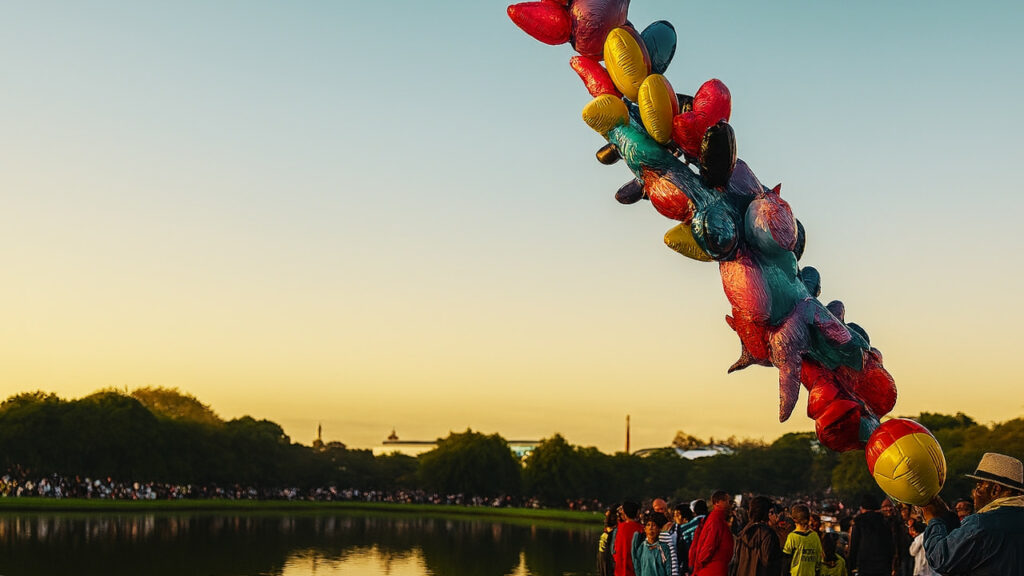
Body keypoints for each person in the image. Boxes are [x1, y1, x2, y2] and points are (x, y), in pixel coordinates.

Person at [921, 452, 1024, 575]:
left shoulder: (980, 523)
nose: (974, 493)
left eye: (979, 486)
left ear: (995, 490)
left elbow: (940, 560)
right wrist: (948, 517)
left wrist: (934, 520)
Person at [732, 495, 782, 576]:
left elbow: (737, 561)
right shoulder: (768, 534)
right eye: (770, 512)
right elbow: (769, 563)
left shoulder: (743, 532)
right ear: (765, 512)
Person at [689, 491, 734, 576]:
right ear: (717, 503)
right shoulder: (716, 520)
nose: (729, 505)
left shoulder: (717, 519)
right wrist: (699, 566)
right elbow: (709, 546)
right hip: (712, 569)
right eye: (727, 501)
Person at [848, 494, 895, 576]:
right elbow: (891, 546)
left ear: (862, 508)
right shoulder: (885, 522)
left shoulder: (859, 522)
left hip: (865, 566)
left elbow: (853, 547)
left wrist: (850, 567)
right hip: (883, 567)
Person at [782, 504, 822, 576]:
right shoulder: (815, 536)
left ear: (794, 519)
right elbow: (818, 560)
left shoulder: (792, 537)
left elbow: (786, 561)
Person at [635, 512, 673, 576]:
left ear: (659, 529)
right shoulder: (642, 547)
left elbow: (668, 568)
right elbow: (638, 567)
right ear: (645, 529)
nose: (650, 528)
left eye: (654, 525)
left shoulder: (664, 547)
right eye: (648, 525)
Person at [615, 501, 646, 576]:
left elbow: (616, 548)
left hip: (621, 567)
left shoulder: (620, 527)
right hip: (635, 568)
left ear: (624, 513)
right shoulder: (641, 529)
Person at [673, 503, 695, 576]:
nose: (674, 518)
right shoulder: (677, 530)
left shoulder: (690, 531)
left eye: (677, 515)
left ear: (685, 517)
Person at [599, 506, 618, 576]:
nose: (605, 520)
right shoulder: (609, 530)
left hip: (607, 556)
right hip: (604, 556)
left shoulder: (613, 531)